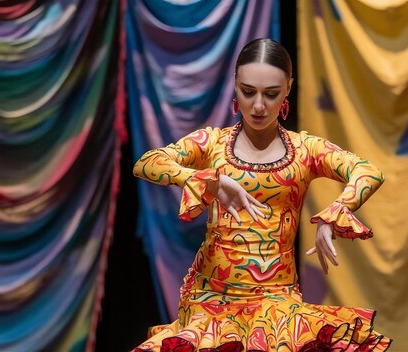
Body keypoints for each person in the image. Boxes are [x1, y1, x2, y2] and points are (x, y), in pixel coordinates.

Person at [132, 38, 392, 352]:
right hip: (212, 301)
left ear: (288, 89)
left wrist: (334, 213)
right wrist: (208, 180)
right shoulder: (212, 143)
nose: (258, 106)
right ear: (235, 85)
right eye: (248, 91)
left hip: (277, 302)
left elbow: (368, 171)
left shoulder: (304, 150)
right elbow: (146, 163)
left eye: (270, 94)